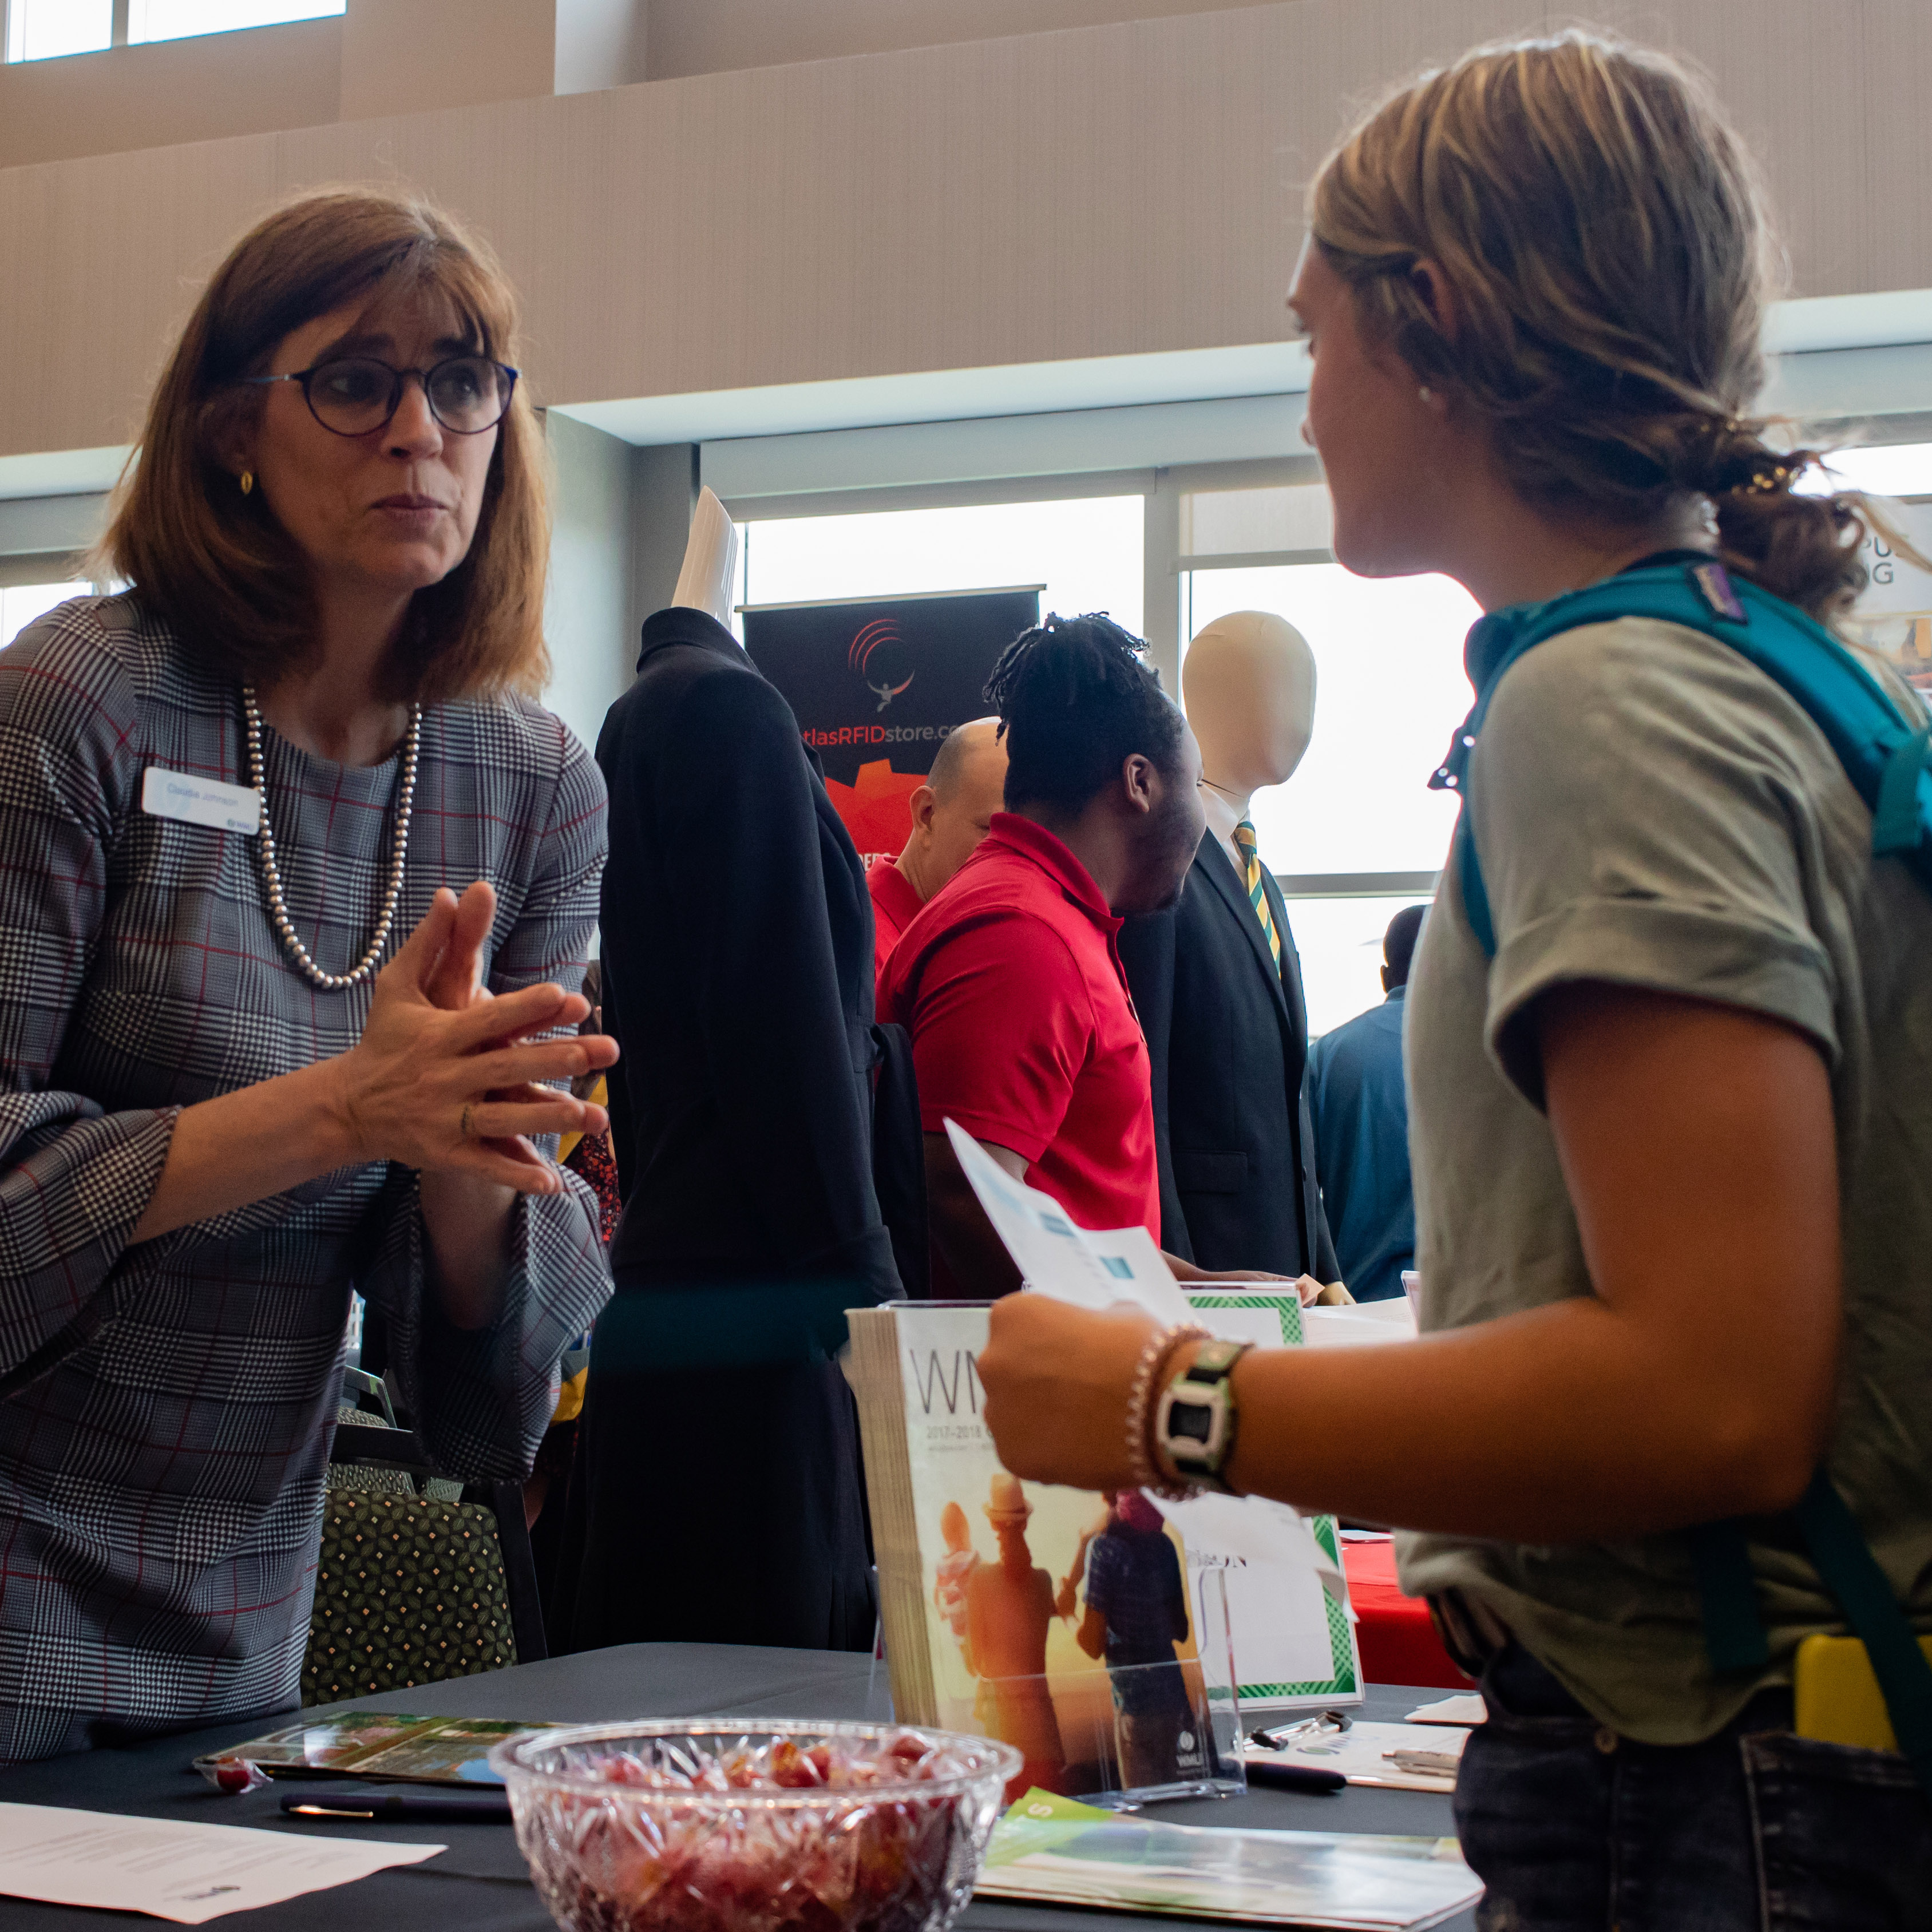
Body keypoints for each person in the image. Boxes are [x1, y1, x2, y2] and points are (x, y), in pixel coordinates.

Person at [974, 31, 1932, 1922]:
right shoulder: (1760, 663)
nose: (1307, 405)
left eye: (1314, 335)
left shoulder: (1605, 702)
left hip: (1709, 1782)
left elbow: (1714, 1389)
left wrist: (1175, 1401)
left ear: (1439, 323)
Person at [0, 189, 617, 1764]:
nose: (420, 429)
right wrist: (353, 1108)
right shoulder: (76, 703)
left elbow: (483, 1408)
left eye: (462, 380)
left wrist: (469, 1150)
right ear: (229, 432)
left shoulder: (532, 782)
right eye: (355, 381)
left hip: (247, 1624)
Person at [558, 563, 904, 1656]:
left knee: (673, 1707)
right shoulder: (727, 713)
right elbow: (785, 1042)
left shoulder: (645, 713)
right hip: (761, 1334)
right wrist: (876, 1311)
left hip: (679, 1317)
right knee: (771, 1709)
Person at [879, 614, 1293, 1294]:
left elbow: (1074, 1218)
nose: (1199, 816)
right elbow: (961, 1193)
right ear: (1139, 782)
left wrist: (1199, 1289)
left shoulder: (1049, 918)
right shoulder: (1021, 935)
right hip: (1039, 1360)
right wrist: (1136, 1333)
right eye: (1194, 786)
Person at [1120, 612, 1339, 1286]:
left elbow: (1286, 1104)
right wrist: (1184, 1281)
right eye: (1281, 687)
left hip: (1288, 1269)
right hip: (1210, 1263)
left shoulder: (1260, 880)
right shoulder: (1163, 864)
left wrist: (1324, 1263)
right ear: (1213, 698)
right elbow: (1146, 1090)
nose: (1301, 720)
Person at [1305, 905, 1426, 1301]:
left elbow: (1301, 1186)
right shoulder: (1500, 1053)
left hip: (1357, 1299)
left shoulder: (1328, 1056)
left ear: (1386, 977)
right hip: (1475, 1303)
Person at [1065, 1492, 1194, 1790]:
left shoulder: (1104, 1550)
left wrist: (1066, 1615)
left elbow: (1092, 1645)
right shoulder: (1165, 1546)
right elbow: (1181, 1629)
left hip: (1135, 1706)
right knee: (1185, 1801)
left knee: (1146, 1808)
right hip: (1175, 1699)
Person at [867, 716, 1007, 985]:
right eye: (994, 831)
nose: (1019, 860)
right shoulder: (854, 950)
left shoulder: (971, 941)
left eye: (1034, 839)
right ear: (927, 814)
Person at [962, 1473, 1066, 1794]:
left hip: (1003, 1729)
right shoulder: (1043, 1582)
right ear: (1025, 1522)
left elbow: (976, 1664)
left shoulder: (980, 1581)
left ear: (993, 1524)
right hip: (1042, 1728)